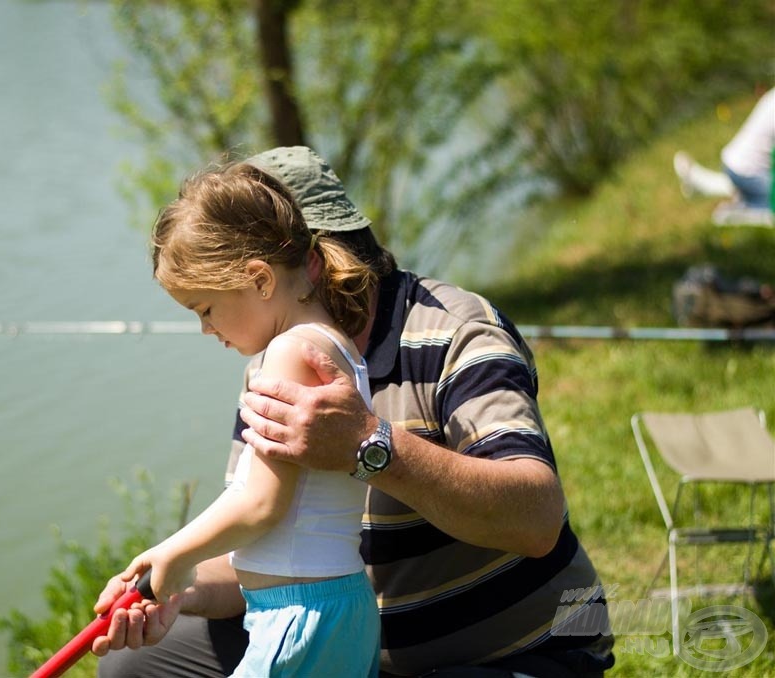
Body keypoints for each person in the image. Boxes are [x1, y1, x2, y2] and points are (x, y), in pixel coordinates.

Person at [94, 146, 615, 677]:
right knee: (134, 666)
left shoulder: (457, 330)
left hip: (514, 654)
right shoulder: (271, 360)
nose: (208, 329)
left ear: (298, 266)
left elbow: (536, 520)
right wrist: (177, 585)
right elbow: (261, 530)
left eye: (208, 308)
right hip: (341, 637)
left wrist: (368, 444)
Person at [101, 160, 383, 676]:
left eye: (204, 308)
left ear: (258, 279)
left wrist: (174, 553)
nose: (206, 329)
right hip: (324, 609)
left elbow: (260, 505)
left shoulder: (290, 353)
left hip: (302, 616)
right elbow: (251, 492)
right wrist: (170, 569)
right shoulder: (327, 346)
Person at [673, 87, 774, 226]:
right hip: (747, 173)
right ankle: (734, 214)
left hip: (734, 164)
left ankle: (701, 181)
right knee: (772, 209)